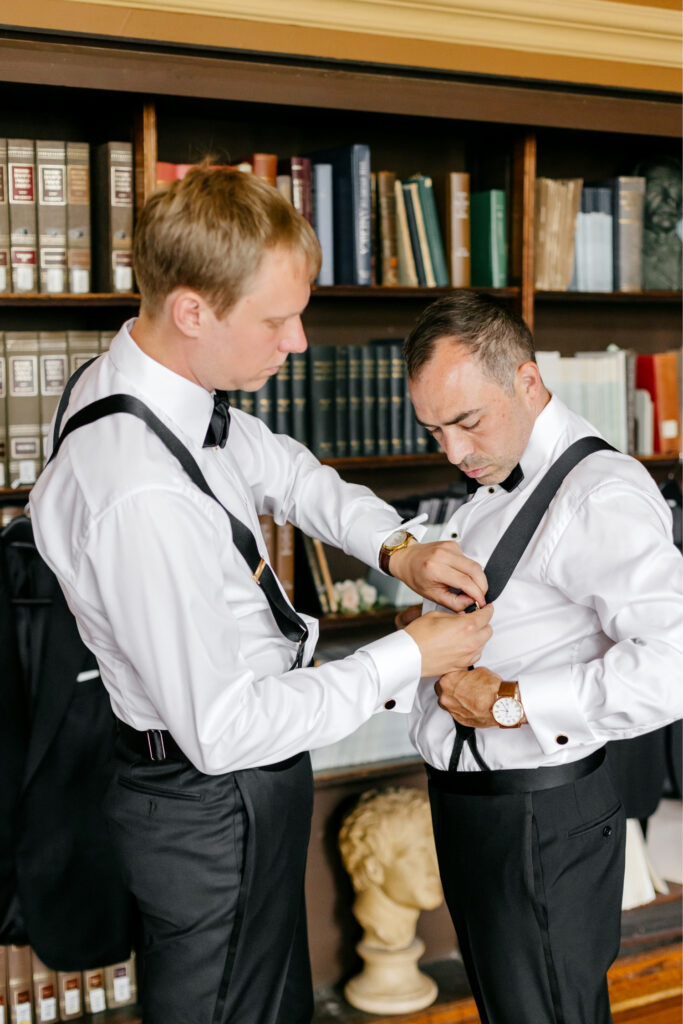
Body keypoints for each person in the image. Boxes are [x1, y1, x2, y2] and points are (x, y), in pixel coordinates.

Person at [28, 166, 493, 1024]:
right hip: (210, 797)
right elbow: (225, 728)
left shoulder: (156, 386)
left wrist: (401, 548)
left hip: (230, 789)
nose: (300, 343)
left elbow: (283, 468)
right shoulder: (140, 495)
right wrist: (409, 657)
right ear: (194, 311)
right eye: (277, 320)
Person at [403, 291, 683, 1024]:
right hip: (477, 814)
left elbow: (673, 663)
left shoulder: (599, 496)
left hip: (539, 819)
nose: (453, 453)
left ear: (527, 381)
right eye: (434, 431)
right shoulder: (495, 478)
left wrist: (509, 704)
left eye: (466, 422)